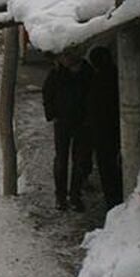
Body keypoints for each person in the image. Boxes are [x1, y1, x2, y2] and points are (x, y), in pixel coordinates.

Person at [43, 53, 94, 211]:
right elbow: (47, 93)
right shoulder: (57, 73)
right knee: (61, 159)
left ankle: (75, 195)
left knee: (79, 160)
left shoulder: (87, 72)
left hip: (82, 123)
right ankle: (61, 196)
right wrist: (52, 114)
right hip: (63, 121)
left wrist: (89, 117)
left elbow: (92, 96)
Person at [86, 46, 124, 210]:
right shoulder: (116, 76)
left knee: (108, 168)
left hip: (103, 131)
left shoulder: (97, 80)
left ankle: (113, 201)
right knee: (115, 165)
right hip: (115, 128)